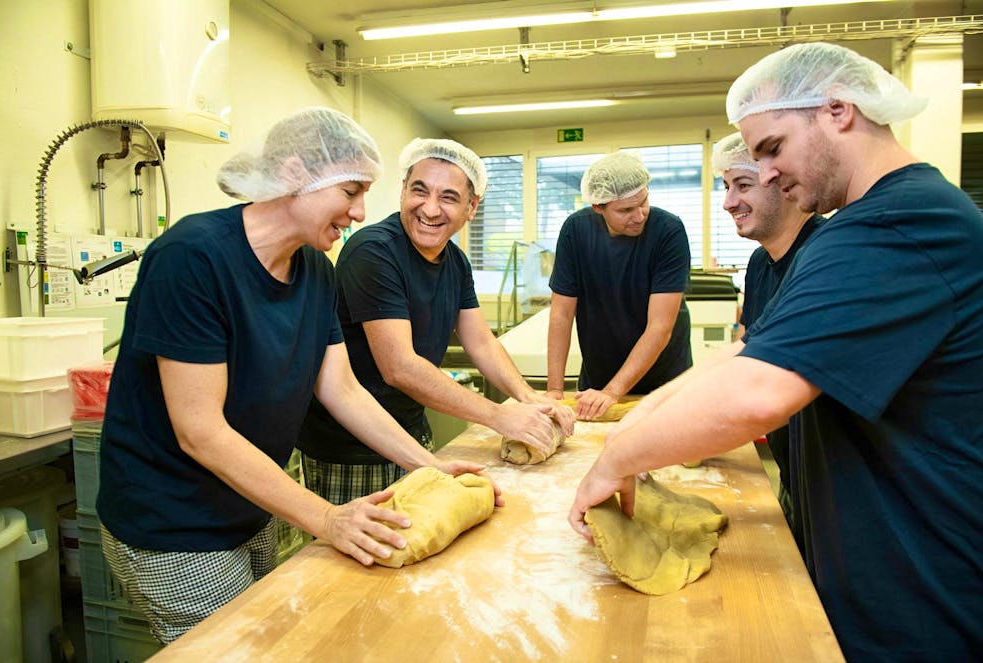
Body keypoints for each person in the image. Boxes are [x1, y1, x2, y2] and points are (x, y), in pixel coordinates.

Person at [569, 42, 983, 661]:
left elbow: (758, 394)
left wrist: (615, 461)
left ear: (837, 110)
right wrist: (646, 416)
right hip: (878, 573)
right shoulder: (872, 224)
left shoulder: (900, 224)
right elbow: (750, 350)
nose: (765, 176)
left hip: (920, 591)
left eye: (771, 148)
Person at [95, 109, 493, 644]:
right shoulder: (193, 257)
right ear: (294, 174)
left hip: (254, 505)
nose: (359, 212)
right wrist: (327, 519)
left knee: (281, 643)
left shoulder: (315, 271)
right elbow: (199, 431)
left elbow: (343, 389)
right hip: (174, 522)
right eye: (350, 191)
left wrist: (430, 468)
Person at [297, 138, 573, 505]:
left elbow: (481, 341)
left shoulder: (455, 262)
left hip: (411, 433)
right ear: (402, 191)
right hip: (352, 449)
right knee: (368, 541)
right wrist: (499, 416)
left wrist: (528, 397)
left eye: (448, 197)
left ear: (471, 207)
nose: (429, 208)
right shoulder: (374, 252)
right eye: (419, 190)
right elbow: (400, 367)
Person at [712, 131, 824, 545]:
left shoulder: (822, 255)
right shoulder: (760, 263)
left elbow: (770, 386)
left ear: (783, 181)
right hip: (793, 471)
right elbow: (744, 358)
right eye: (726, 187)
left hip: (836, 484)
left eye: (743, 185)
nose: (728, 202)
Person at [546, 150, 692, 421]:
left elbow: (660, 327)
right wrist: (554, 390)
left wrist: (613, 392)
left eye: (643, 201)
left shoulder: (668, 231)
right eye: (625, 210)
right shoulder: (576, 231)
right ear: (598, 208)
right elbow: (561, 314)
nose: (639, 216)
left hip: (665, 381)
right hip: (598, 382)